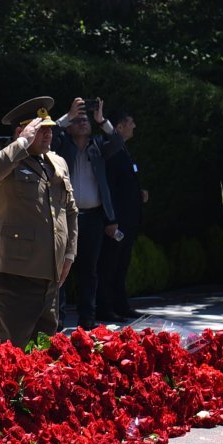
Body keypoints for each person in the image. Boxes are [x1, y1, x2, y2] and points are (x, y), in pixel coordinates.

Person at [0, 97, 77, 345]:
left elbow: (70, 210)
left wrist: (69, 254)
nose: (48, 134)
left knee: (43, 352)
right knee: (10, 351)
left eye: (50, 129)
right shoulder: (2, 156)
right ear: (21, 131)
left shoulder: (57, 162)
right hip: (14, 274)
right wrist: (21, 143)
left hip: (51, 274)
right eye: (40, 129)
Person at [51, 99, 116, 328]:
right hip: (66, 217)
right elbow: (48, 134)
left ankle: (87, 317)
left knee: (89, 269)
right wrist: (66, 117)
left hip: (93, 217)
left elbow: (118, 142)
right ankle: (57, 318)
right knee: (61, 267)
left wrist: (102, 121)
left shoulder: (98, 146)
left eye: (85, 120)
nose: (82, 124)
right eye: (76, 120)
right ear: (68, 126)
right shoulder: (60, 145)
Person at [95, 109, 145, 321]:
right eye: (130, 122)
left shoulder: (123, 149)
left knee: (121, 263)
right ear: (119, 127)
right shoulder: (112, 151)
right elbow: (110, 188)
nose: (134, 126)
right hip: (117, 219)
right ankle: (105, 307)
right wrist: (111, 219)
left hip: (128, 217)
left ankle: (120, 304)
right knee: (110, 264)